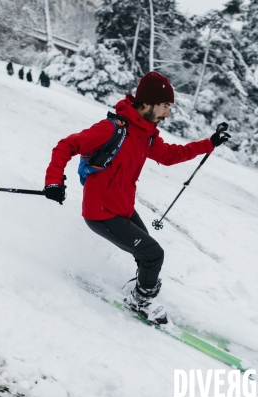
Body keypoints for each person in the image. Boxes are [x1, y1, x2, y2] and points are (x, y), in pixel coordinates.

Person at [43, 72, 231, 325]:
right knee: (153, 254)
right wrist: (54, 181)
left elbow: (169, 156)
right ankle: (140, 301)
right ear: (147, 103)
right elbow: (66, 145)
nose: (167, 114)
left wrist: (208, 144)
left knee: (147, 254)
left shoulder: (146, 134)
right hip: (101, 213)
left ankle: (141, 290)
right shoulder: (112, 129)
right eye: (165, 107)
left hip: (123, 208)